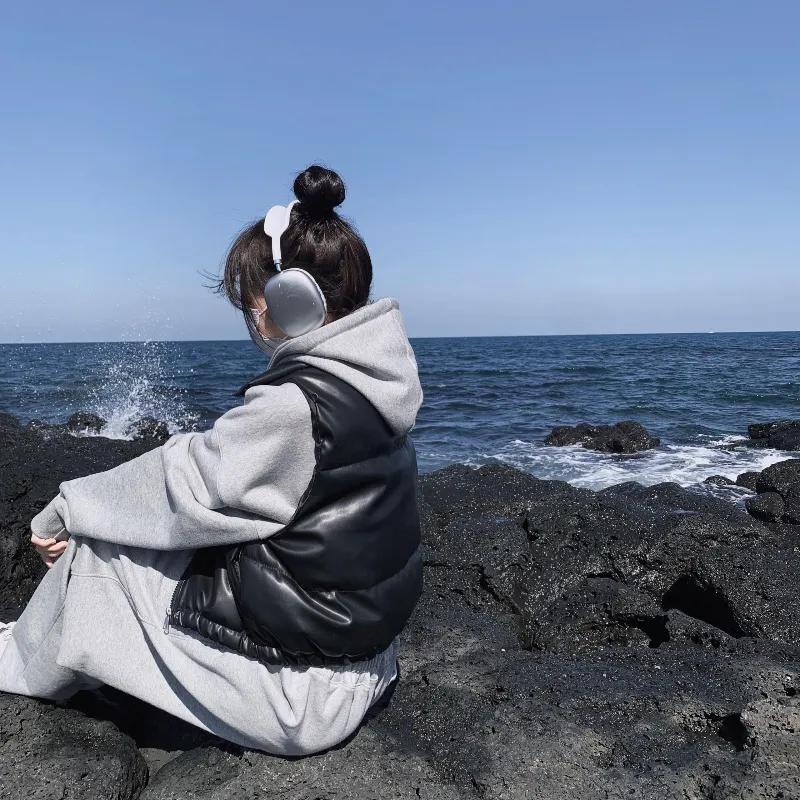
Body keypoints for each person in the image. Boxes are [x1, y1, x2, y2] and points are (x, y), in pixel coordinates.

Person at [0, 165, 424, 756]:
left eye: (251, 300)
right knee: (171, 545)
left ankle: (15, 659)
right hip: (366, 662)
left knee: (99, 555)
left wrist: (70, 509)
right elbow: (227, 484)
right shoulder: (376, 386)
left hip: (301, 698)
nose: (248, 315)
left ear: (290, 299)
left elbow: (185, 485)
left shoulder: (294, 407)